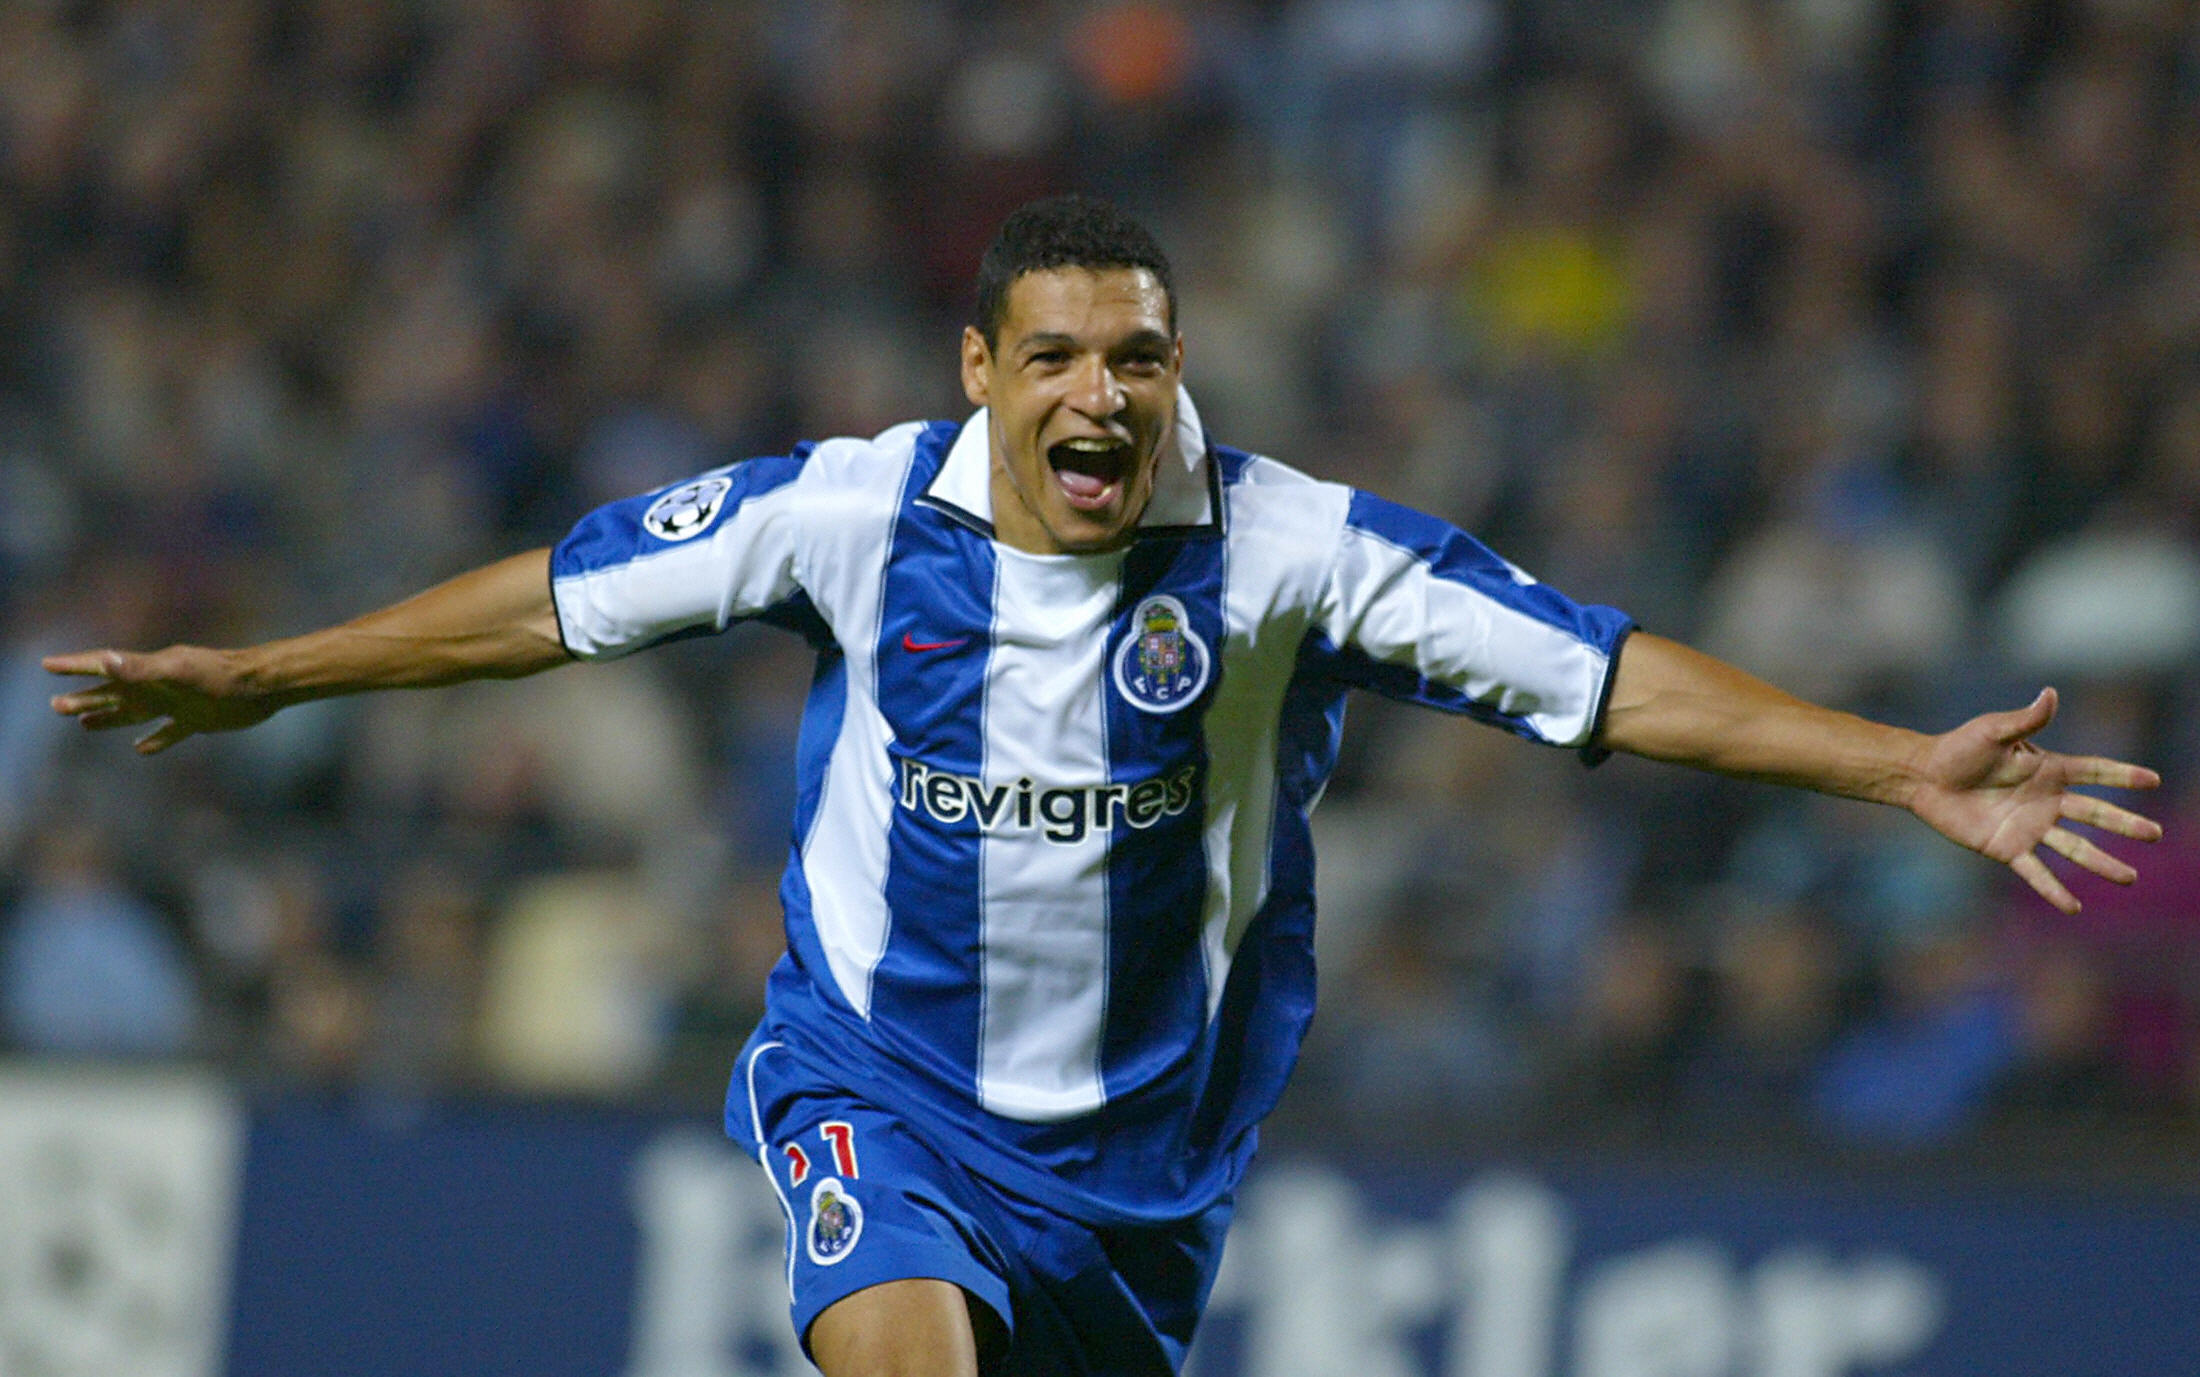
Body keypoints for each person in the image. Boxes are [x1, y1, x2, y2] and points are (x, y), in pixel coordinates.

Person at [45, 195, 2160, 1377]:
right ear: (978, 369)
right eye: (1051, 354)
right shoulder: (853, 514)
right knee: (895, 1349)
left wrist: (1899, 769)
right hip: (879, 1074)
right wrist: (272, 677)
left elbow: (1597, 677)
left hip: (1144, 1170)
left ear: (1172, 372)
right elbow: (556, 600)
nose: (1096, 394)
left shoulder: (1290, 552)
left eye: (1132, 359)